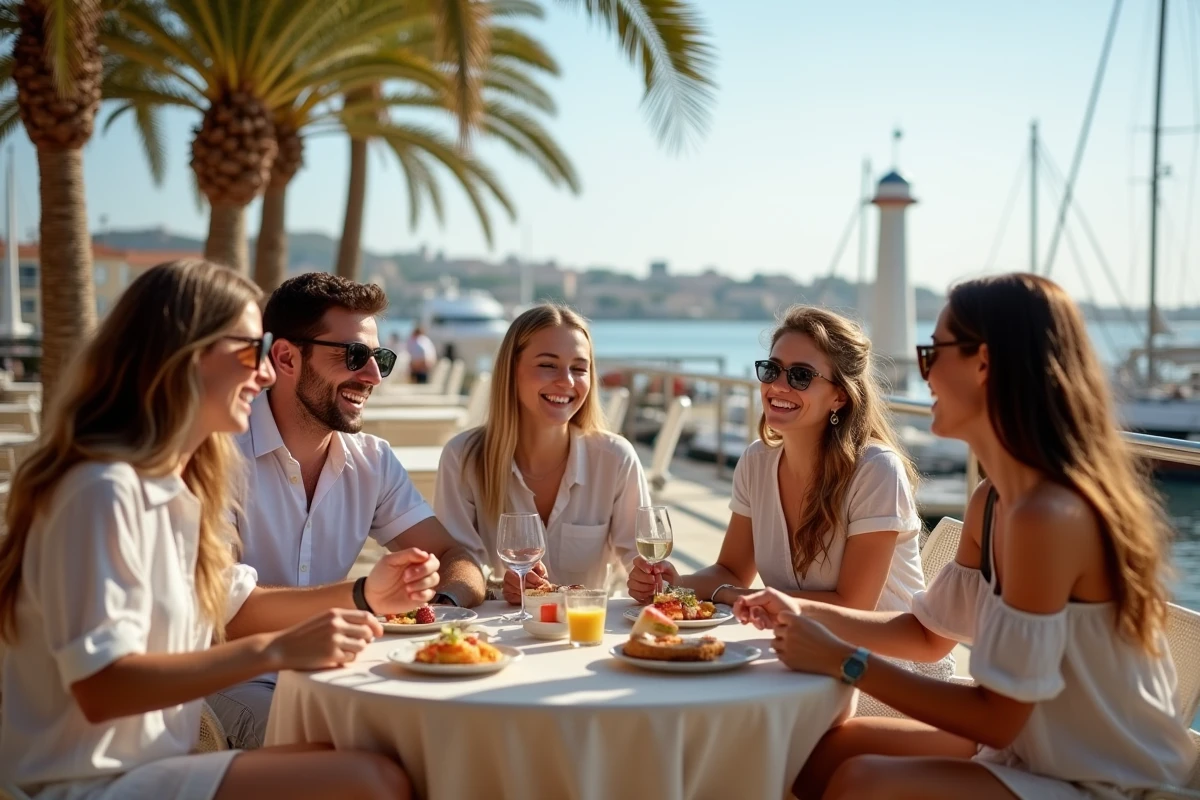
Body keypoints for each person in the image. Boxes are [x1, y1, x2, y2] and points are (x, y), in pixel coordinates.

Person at [737, 273, 1193, 799]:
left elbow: (996, 718)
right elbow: (930, 639)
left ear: (984, 365)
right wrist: (804, 613)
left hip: (1103, 778)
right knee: (812, 756)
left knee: (861, 782)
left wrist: (844, 659)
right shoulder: (993, 503)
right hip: (1032, 749)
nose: (924, 375)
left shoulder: (1047, 516)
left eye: (933, 354)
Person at [0, 260, 439, 800]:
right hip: (83, 783)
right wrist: (275, 651)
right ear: (185, 353)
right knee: (374, 782)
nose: (265, 372)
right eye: (250, 351)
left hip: (156, 763)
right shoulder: (102, 491)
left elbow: (229, 603)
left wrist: (366, 597)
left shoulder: (178, 490)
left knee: (385, 761)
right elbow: (100, 689)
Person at [208, 272, 485, 750]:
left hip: (339, 676)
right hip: (231, 683)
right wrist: (364, 596)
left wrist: (443, 607)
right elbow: (222, 616)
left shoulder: (371, 461)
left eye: (382, 358)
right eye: (355, 356)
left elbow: (456, 556)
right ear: (286, 357)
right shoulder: (217, 456)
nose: (375, 375)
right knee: (377, 749)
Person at [627, 306, 951, 684]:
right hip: (799, 658)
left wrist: (731, 595)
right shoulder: (756, 461)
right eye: (772, 369)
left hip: (883, 673)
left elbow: (852, 607)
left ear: (839, 398)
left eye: (800, 376)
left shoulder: (875, 470)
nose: (779, 386)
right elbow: (731, 570)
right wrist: (672, 583)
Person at [435, 304, 651, 601]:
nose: (567, 381)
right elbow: (454, 560)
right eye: (548, 365)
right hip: (493, 636)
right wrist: (498, 586)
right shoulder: (462, 457)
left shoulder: (615, 459)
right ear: (511, 371)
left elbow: (640, 561)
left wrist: (650, 579)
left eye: (579, 368)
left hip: (584, 634)